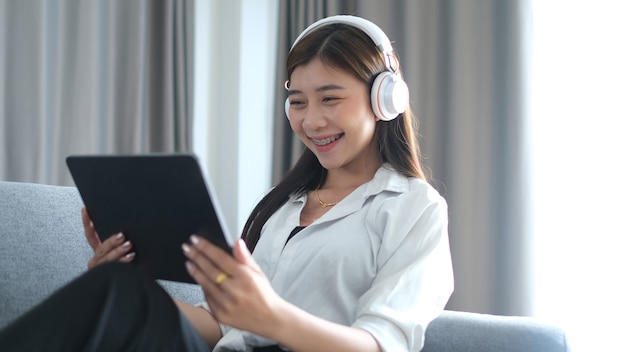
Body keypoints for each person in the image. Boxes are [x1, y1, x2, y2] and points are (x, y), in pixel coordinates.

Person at [0, 15, 453, 351]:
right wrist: (131, 288)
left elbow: (383, 343)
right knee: (119, 291)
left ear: (385, 99)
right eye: (297, 101)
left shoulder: (414, 208)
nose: (312, 120)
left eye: (330, 98)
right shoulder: (285, 206)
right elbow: (225, 329)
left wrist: (274, 318)